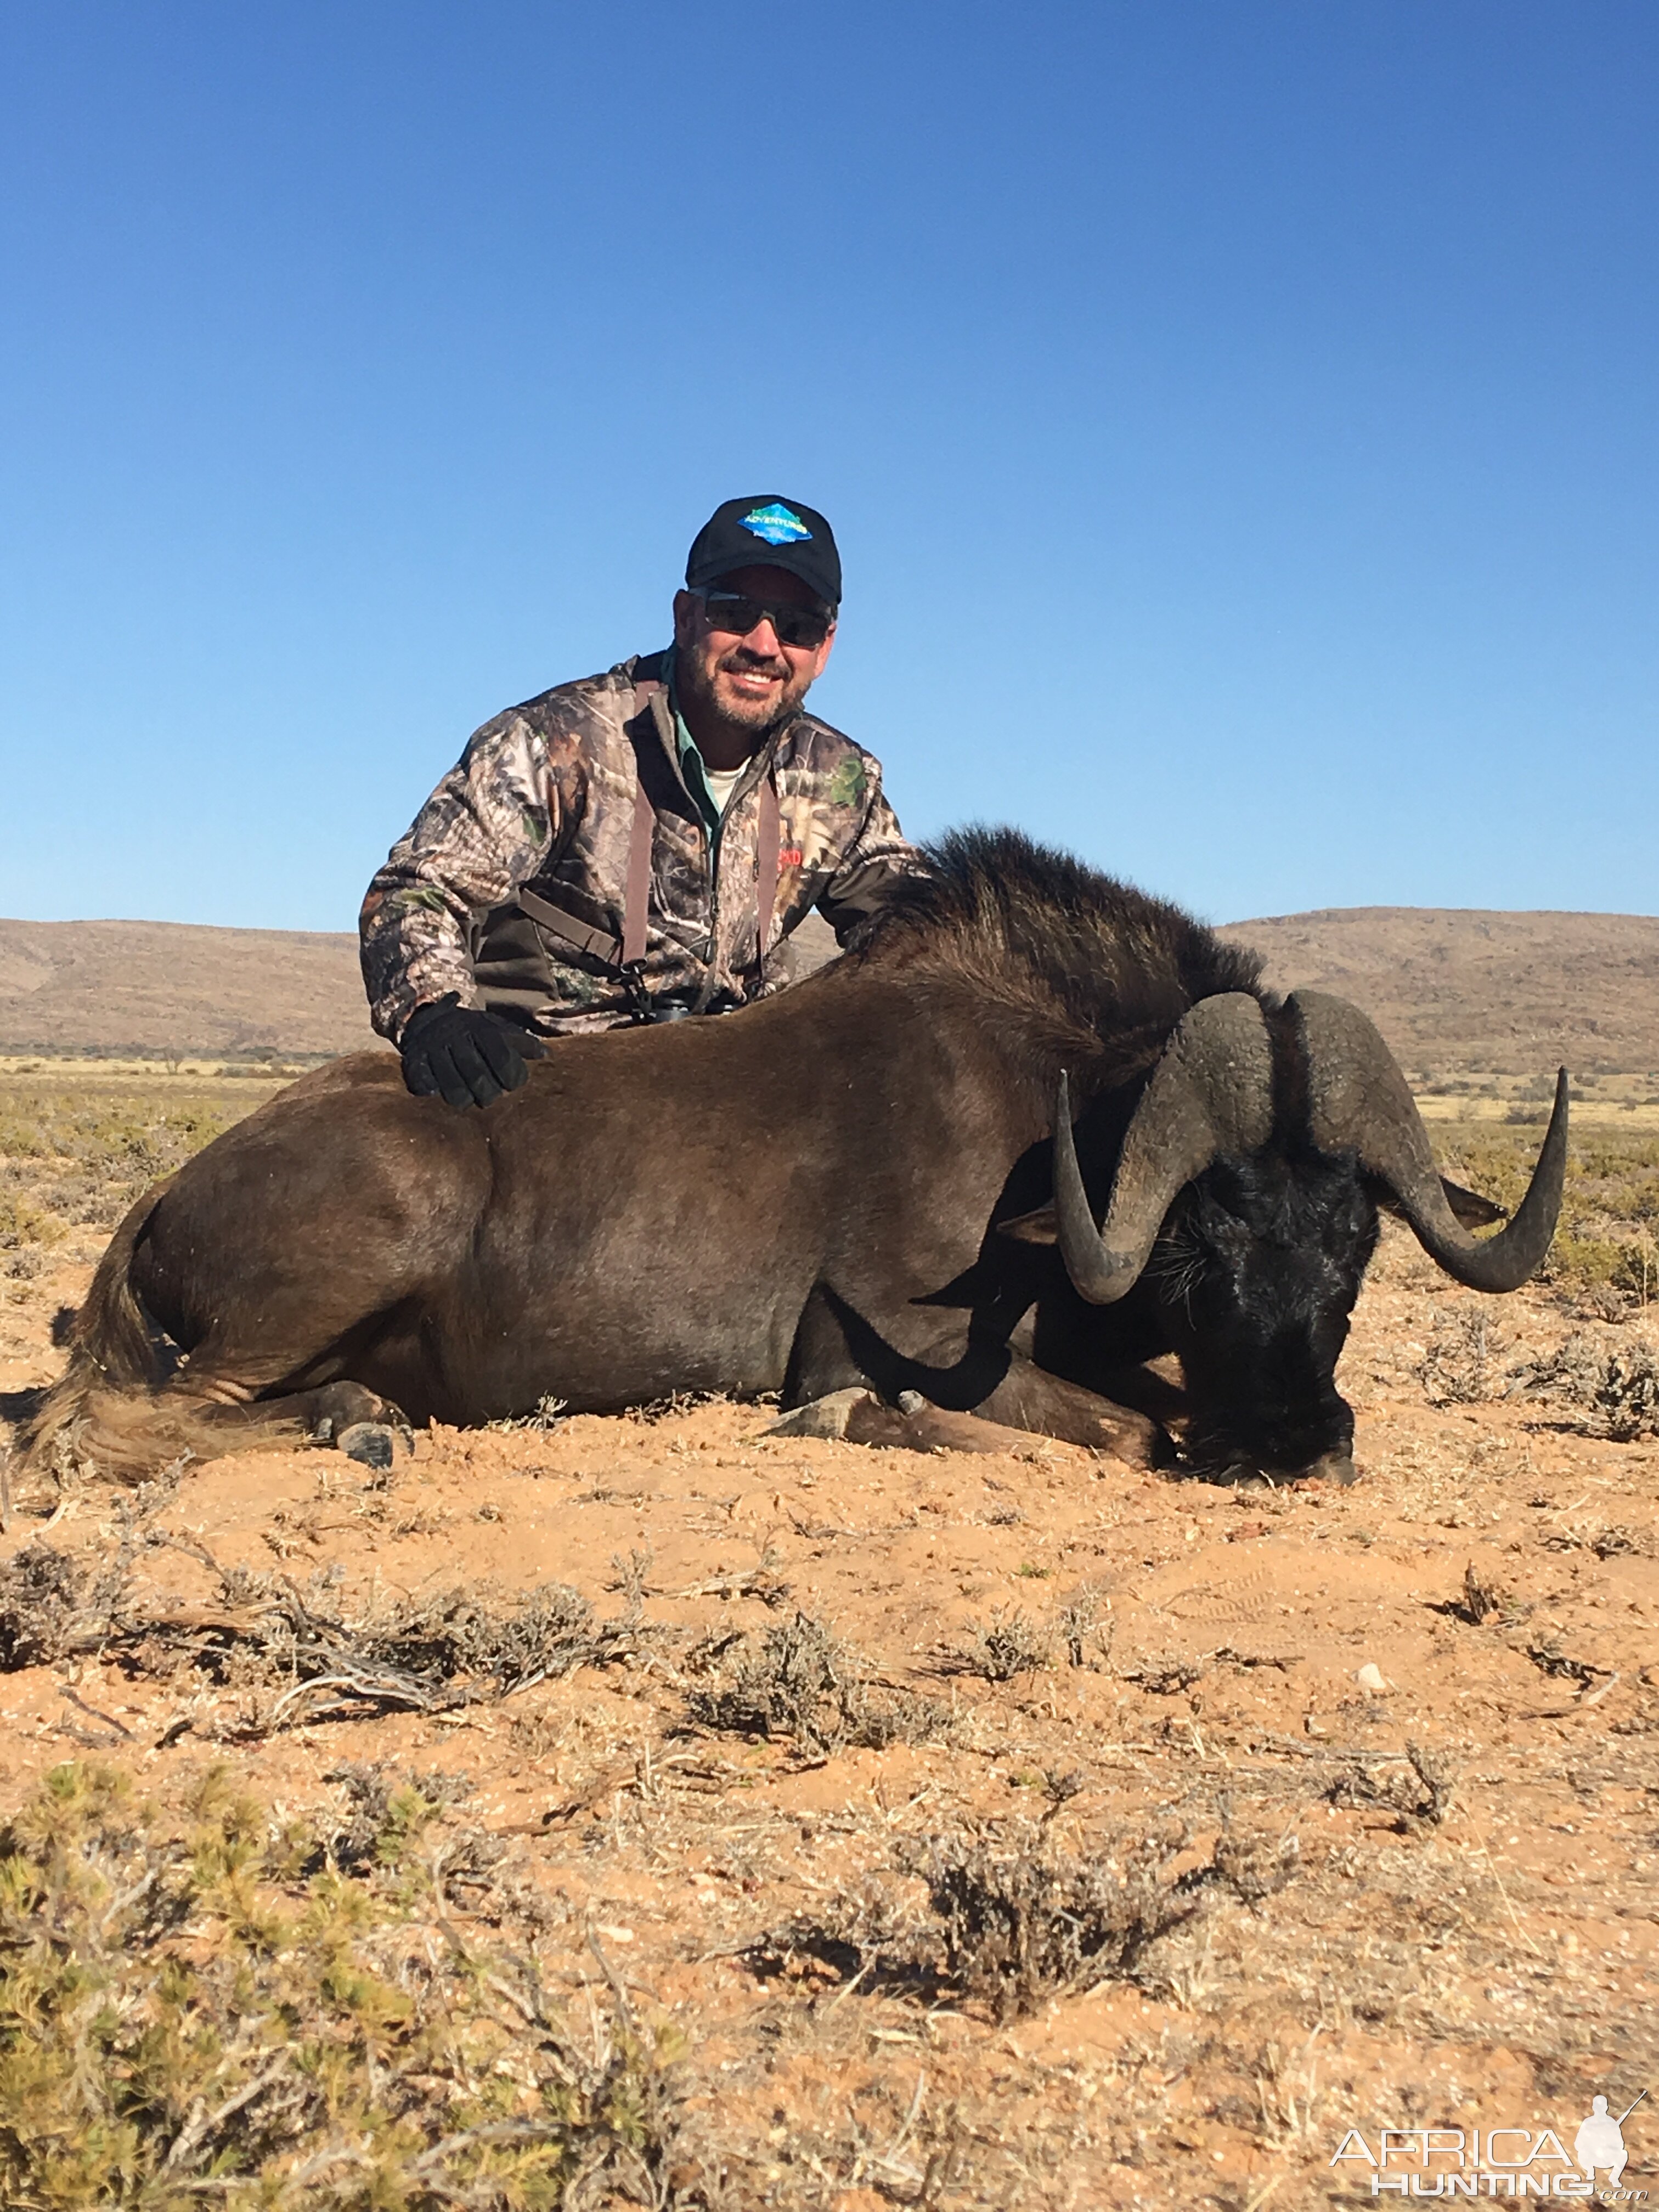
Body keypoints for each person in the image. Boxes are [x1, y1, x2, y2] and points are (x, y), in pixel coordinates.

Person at [359, 495, 919, 1109]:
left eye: (796, 627)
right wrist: (435, 1012)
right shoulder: (555, 741)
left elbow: (925, 929)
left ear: (826, 647)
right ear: (686, 617)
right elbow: (418, 891)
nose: (764, 645)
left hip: (741, 1093)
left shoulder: (841, 779)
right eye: (734, 612)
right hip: (554, 1086)